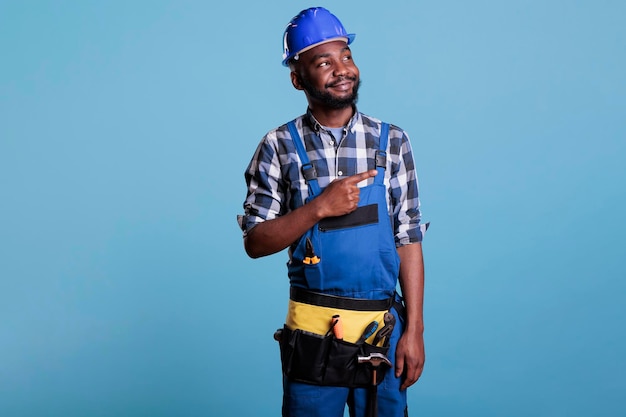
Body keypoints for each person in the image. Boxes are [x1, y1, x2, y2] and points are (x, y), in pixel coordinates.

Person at [238, 7, 428, 417]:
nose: (341, 69)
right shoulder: (278, 146)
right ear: (297, 77)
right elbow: (255, 242)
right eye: (323, 62)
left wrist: (415, 330)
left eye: (345, 56)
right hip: (311, 340)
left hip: (383, 336)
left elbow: (408, 238)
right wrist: (318, 207)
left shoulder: (391, 141)